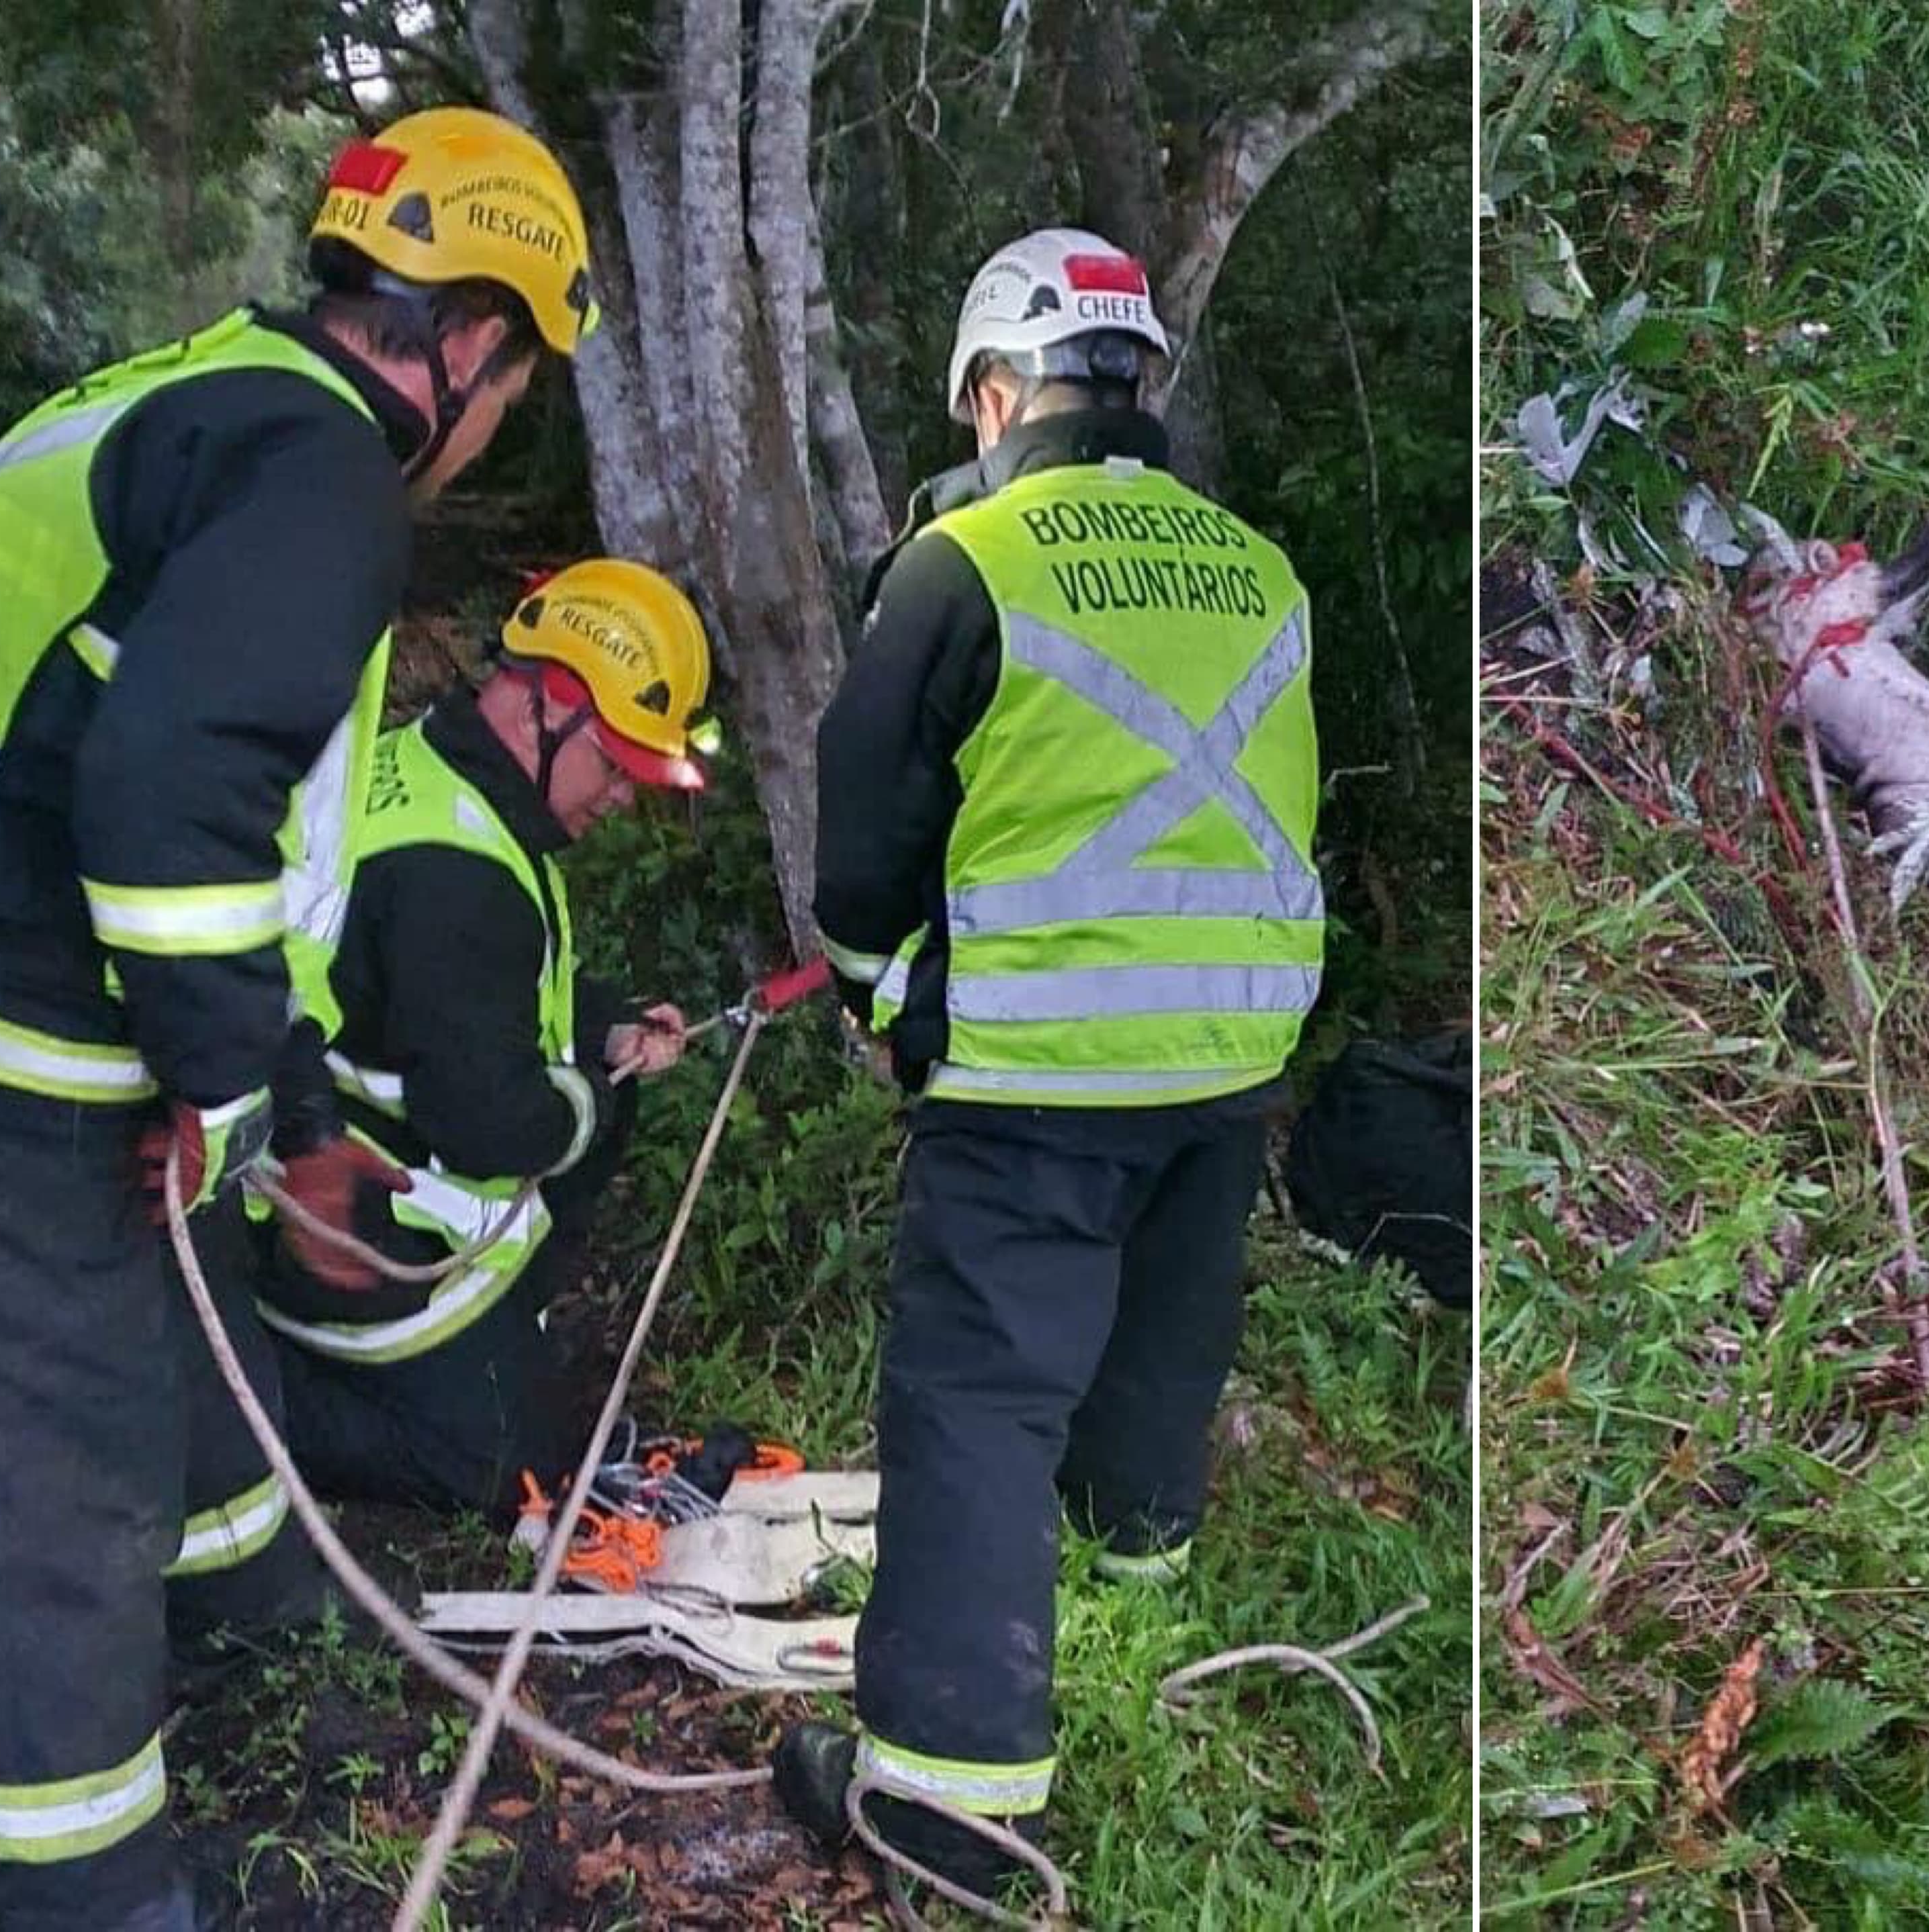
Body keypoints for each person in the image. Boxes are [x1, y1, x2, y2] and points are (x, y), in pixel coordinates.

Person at [0, 105, 596, 1930]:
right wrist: (259, 1106)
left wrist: (258, 1074)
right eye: (517, 386)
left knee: (170, 1297)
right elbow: (166, 804)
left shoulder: (229, 403)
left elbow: (223, 841)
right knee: (41, 1463)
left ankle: (246, 1613)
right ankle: (88, 1888)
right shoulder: (317, 476)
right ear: (467, 336)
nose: (494, 433)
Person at [774, 226, 1326, 1896]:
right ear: (1138, 381)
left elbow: (862, 831)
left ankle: (944, 1801)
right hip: (1232, 1051)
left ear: (1000, 391)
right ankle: (1140, 1584)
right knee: (1166, 1332)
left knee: (976, 1395)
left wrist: (885, 998)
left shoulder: (967, 563)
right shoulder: (1261, 569)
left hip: (1032, 1076)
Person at [215, 559, 713, 1532]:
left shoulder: (426, 773)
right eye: (615, 763)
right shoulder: (463, 875)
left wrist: (602, 1020)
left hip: (310, 1188)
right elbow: (487, 1123)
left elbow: (457, 999)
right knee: (499, 1466)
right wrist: (598, 1091)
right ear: (540, 710)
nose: (622, 798)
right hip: (346, 1229)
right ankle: (233, 1400)